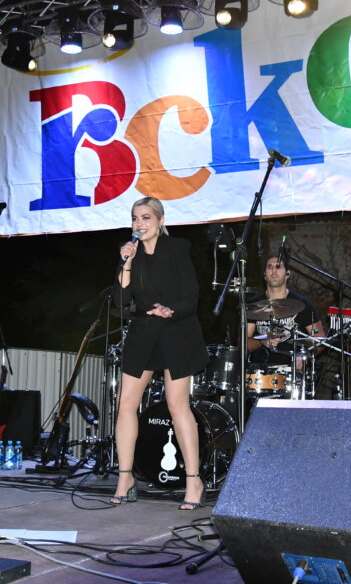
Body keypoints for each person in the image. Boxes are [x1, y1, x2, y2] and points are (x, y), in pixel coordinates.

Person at [112, 197, 208, 510]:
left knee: (177, 405)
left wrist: (171, 310)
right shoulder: (131, 253)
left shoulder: (177, 248)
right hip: (143, 333)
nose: (139, 224)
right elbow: (120, 300)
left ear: (160, 220)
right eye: (135, 218)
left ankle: (193, 480)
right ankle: (125, 478)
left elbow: (191, 296)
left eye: (146, 218)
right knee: (125, 403)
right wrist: (126, 261)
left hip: (176, 331)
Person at [245, 252, 325, 372]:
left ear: (287, 274)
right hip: (259, 373)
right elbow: (244, 343)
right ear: (265, 275)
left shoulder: (302, 304)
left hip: (292, 374)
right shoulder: (254, 304)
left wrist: (304, 357)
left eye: (278, 267)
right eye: (269, 267)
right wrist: (262, 342)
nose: (274, 271)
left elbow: (320, 341)